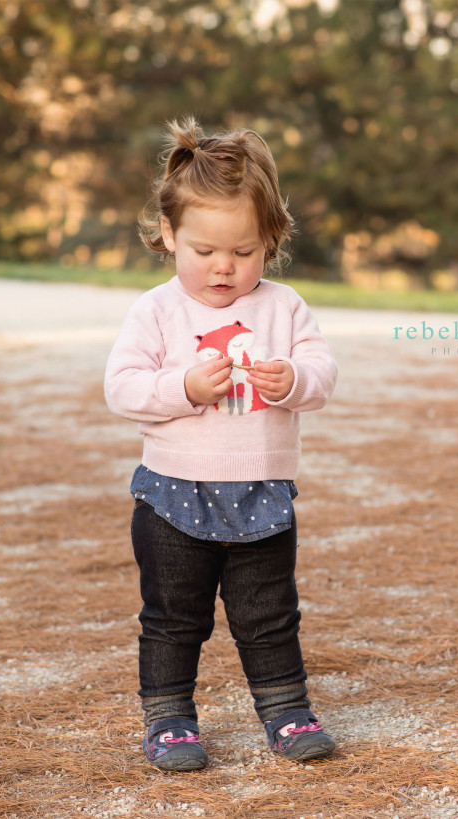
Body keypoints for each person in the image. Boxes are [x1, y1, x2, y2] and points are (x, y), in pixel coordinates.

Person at [105, 117, 338, 771]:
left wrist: (292, 378)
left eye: (243, 250)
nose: (223, 266)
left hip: (262, 490)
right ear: (171, 234)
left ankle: (287, 710)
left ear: (271, 240)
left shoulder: (283, 307)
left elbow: (322, 376)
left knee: (269, 613)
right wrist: (184, 385)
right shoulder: (156, 311)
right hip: (173, 493)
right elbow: (121, 387)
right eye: (204, 249)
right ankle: (170, 718)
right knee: (174, 616)